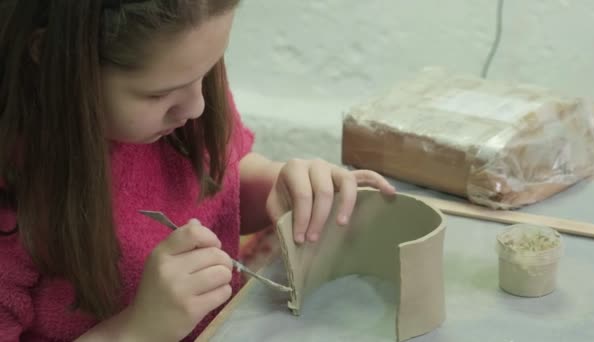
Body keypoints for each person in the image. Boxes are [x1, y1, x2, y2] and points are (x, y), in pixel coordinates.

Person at [0, 0, 396, 341]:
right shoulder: (15, 184)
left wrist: (279, 185)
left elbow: (222, 181)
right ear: (54, 57)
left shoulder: (184, 101)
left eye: (208, 73)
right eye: (159, 94)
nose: (196, 108)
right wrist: (136, 331)